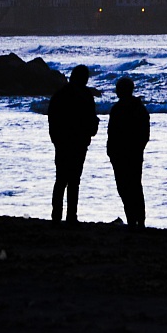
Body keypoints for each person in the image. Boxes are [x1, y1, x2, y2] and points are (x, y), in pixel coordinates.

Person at [47, 65, 99, 223]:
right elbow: (91, 118)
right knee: (72, 180)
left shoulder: (61, 94)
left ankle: (58, 215)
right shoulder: (85, 94)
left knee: (62, 179)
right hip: (76, 142)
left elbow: (53, 118)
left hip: (65, 142)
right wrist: (90, 133)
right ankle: (70, 216)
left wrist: (56, 139)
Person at [107, 76, 150, 228]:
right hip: (130, 153)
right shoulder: (137, 108)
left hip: (126, 153)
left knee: (128, 187)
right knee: (132, 186)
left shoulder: (120, 109)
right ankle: (136, 220)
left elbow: (112, 133)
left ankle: (136, 219)